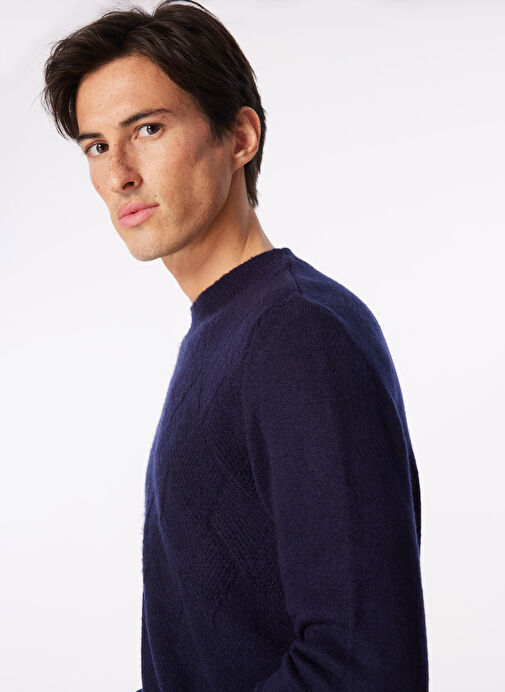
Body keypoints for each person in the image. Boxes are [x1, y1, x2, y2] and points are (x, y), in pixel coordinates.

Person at [40, 1, 429, 689]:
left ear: (240, 136)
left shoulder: (296, 333)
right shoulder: (227, 329)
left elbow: (360, 666)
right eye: (96, 146)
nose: (119, 174)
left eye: (148, 129)